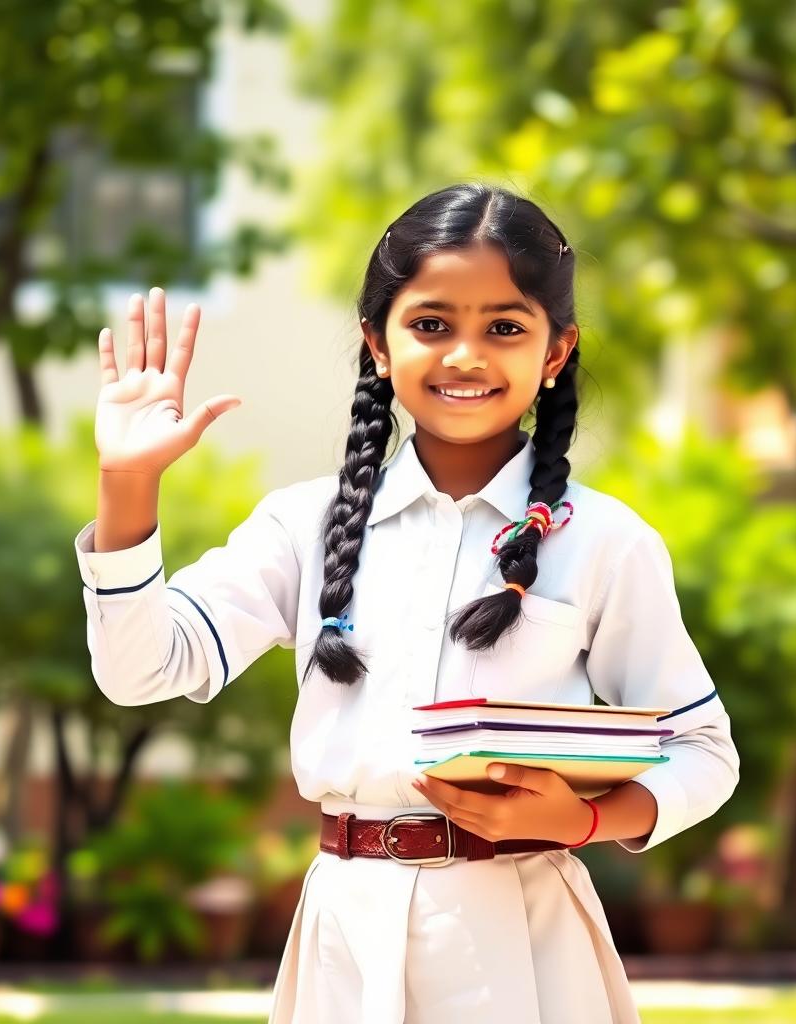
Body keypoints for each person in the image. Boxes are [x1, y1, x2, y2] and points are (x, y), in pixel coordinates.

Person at [73, 183, 740, 1023]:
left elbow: (704, 752)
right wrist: (127, 482)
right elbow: (140, 672)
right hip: (344, 936)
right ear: (377, 344)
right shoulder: (302, 525)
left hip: (523, 939)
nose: (465, 355)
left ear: (557, 351)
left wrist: (587, 820)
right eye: (431, 324)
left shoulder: (605, 540)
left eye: (505, 327)